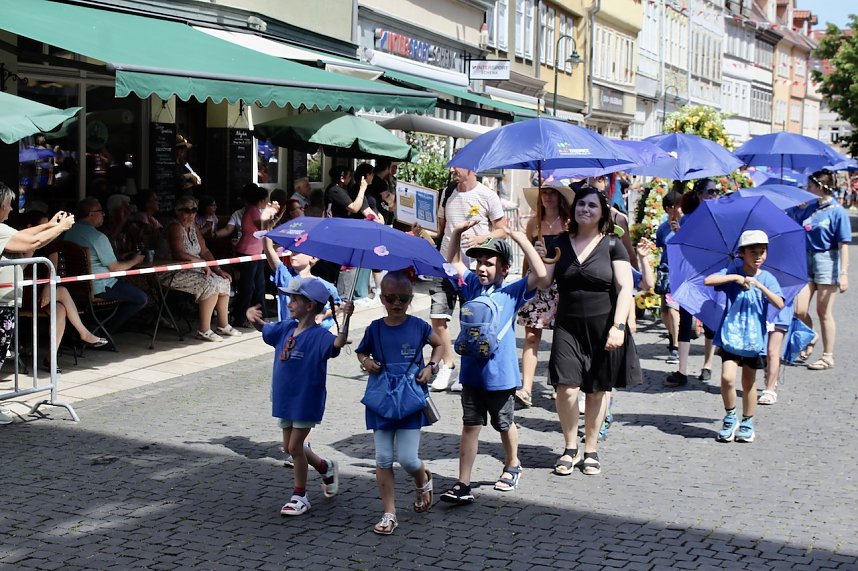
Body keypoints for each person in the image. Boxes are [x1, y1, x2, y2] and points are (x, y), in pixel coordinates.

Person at [438, 223, 548, 504]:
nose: (481, 268)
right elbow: (451, 264)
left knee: (503, 423)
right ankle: (463, 483)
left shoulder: (511, 292)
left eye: (489, 263)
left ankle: (512, 465)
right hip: (472, 373)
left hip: (500, 375)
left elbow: (541, 273)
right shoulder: (473, 286)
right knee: (470, 425)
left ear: (504, 269)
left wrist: (519, 237)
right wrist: (458, 234)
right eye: (478, 263)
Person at [541, 185, 640, 477]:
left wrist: (619, 326)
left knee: (596, 391)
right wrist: (536, 254)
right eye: (581, 204)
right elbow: (544, 282)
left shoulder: (612, 245)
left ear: (602, 212)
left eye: (592, 206)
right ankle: (570, 446)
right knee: (566, 388)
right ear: (573, 209)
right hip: (567, 325)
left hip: (603, 325)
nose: (585, 209)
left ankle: (591, 449)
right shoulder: (558, 242)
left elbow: (625, 288)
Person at [245, 276, 353, 516]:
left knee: (295, 447)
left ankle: (300, 495)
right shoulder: (285, 327)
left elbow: (337, 343)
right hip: (285, 398)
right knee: (289, 447)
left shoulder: (320, 336)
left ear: (310, 305)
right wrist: (253, 319)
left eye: (295, 299)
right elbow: (264, 327)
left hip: (306, 399)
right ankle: (325, 468)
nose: (289, 302)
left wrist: (346, 320)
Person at [355, 271, 443, 534]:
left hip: (410, 397)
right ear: (382, 298)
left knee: (407, 458)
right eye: (391, 297)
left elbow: (439, 345)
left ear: (410, 299)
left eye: (403, 298)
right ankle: (389, 513)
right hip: (382, 397)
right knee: (382, 458)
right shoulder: (375, 328)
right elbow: (361, 351)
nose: (397, 303)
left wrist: (431, 366)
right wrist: (365, 362)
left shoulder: (419, 326)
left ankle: (422, 478)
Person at [0, 184, 76, 423]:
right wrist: (60, 228)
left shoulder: (3, 229)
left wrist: (51, 225)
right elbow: (29, 244)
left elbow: (26, 236)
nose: (11, 209)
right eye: (8, 204)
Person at [429, 167, 508, 393]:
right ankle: (447, 364)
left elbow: (503, 230)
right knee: (437, 317)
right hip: (445, 264)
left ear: (471, 168)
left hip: (473, 269)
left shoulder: (487, 195)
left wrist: (482, 238)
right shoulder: (447, 193)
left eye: (457, 166)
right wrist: (421, 229)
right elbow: (439, 230)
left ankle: (465, 369)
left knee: (470, 321)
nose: (453, 169)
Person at [705, 230, 784, 443]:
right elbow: (709, 280)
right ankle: (730, 417)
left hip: (753, 340)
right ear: (741, 253)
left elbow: (780, 303)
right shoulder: (733, 272)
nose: (758, 256)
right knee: (727, 378)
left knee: (748, 384)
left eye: (762, 252)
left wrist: (761, 286)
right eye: (753, 252)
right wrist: (736, 278)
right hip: (731, 336)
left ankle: (748, 421)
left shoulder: (768, 278)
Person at [18, 211, 108, 373]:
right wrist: (31, 248)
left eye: (51, 225)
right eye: (45, 225)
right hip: (23, 291)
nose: (49, 229)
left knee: (60, 309)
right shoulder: (20, 242)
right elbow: (19, 270)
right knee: (62, 290)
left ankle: (51, 358)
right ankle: (84, 333)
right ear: (30, 227)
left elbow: (53, 269)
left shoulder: (51, 244)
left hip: (45, 290)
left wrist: (47, 288)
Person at [514, 185, 573, 407]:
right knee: (531, 337)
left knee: (562, 339)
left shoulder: (569, 224)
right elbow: (527, 258)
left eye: (552, 193)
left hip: (561, 283)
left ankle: (561, 384)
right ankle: (526, 388)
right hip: (537, 284)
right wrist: (523, 285)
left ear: (560, 197)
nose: (547, 197)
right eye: (544, 193)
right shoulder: (534, 223)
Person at [158, 196, 242, 342]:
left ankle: (223, 324)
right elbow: (179, 253)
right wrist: (202, 264)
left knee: (223, 280)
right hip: (172, 271)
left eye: (194, 210)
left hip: (194, 269)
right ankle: (204, 330)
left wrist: (217, 269)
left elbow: (205, 251)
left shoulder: (194, 227)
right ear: (177, 212)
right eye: (186, 210)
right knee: (209, 284)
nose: (191, 214)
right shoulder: (174, 227)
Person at [790, 169, 851, 371]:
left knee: (824, 312)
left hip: (827, 260)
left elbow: (843, 244)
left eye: (809, 186)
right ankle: (811, 335)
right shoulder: (810, 207)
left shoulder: (837, 211)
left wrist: (843, 273)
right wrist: (797, 209)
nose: (806, 190)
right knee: (799, 309)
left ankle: (828, 356)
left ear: (820, 187)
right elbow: (793, 222)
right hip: (806, 260)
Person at [65, 197, 148, 334]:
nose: (103, 215)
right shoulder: (97, 237)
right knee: (141, 298)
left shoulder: (70, 233)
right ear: (91, 214)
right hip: (100, 285)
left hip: (77, 286)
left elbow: (94, 257)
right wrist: (135, 260)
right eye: (101, 211)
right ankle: (103, 330)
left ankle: (93, 324)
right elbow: (115, 268)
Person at [666, 179, 719, 387]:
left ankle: (707, 365)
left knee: (709, 321)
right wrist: (678, 232)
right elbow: (682, 248)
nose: (714, 195)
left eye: (716, 191)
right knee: (686, 319)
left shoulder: (720, 217)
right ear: (699, 194)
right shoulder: (688, 218)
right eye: (710, 191)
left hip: (711, 273)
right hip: (691, 273)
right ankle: (682, 369)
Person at [233, 184, 271, 327]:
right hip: (248, 252)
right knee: (248, 287)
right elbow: (264, 227)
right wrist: (274, 213)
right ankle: (241, 317)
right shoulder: (253, 211)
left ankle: (261, 315)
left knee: (259, 285)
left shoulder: (254, 210)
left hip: (256, 252)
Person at [655, 190, 682, 365]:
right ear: (667, 209)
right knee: (664, 312)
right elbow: (660, 247)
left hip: (680, 271)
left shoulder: (687, 225)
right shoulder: (663, 228)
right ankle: (673, 335)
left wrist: (680, 233)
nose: (679, 210)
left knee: (673, 309)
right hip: (665, 271)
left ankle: (675, 346)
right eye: (676, 206)